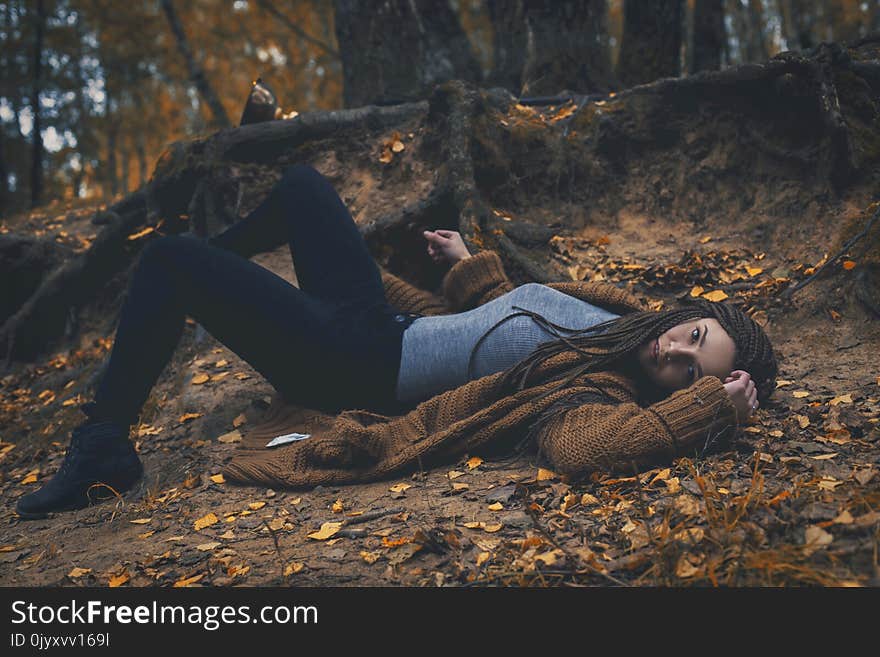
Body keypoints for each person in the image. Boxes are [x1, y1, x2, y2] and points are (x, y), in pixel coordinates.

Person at [15, 164, 776, 518]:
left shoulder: (598, 393)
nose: (673, 355)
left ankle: (102, 442)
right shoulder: (620, 321)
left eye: (688, 373)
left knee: (168, 259)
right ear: (688, 312)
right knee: (303, 187)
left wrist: (710, 410)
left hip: (355, 363)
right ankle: (197, 283)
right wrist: (464, 272)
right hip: (385, 323)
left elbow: (588, 454)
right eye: (694, 337)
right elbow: (496, 323)